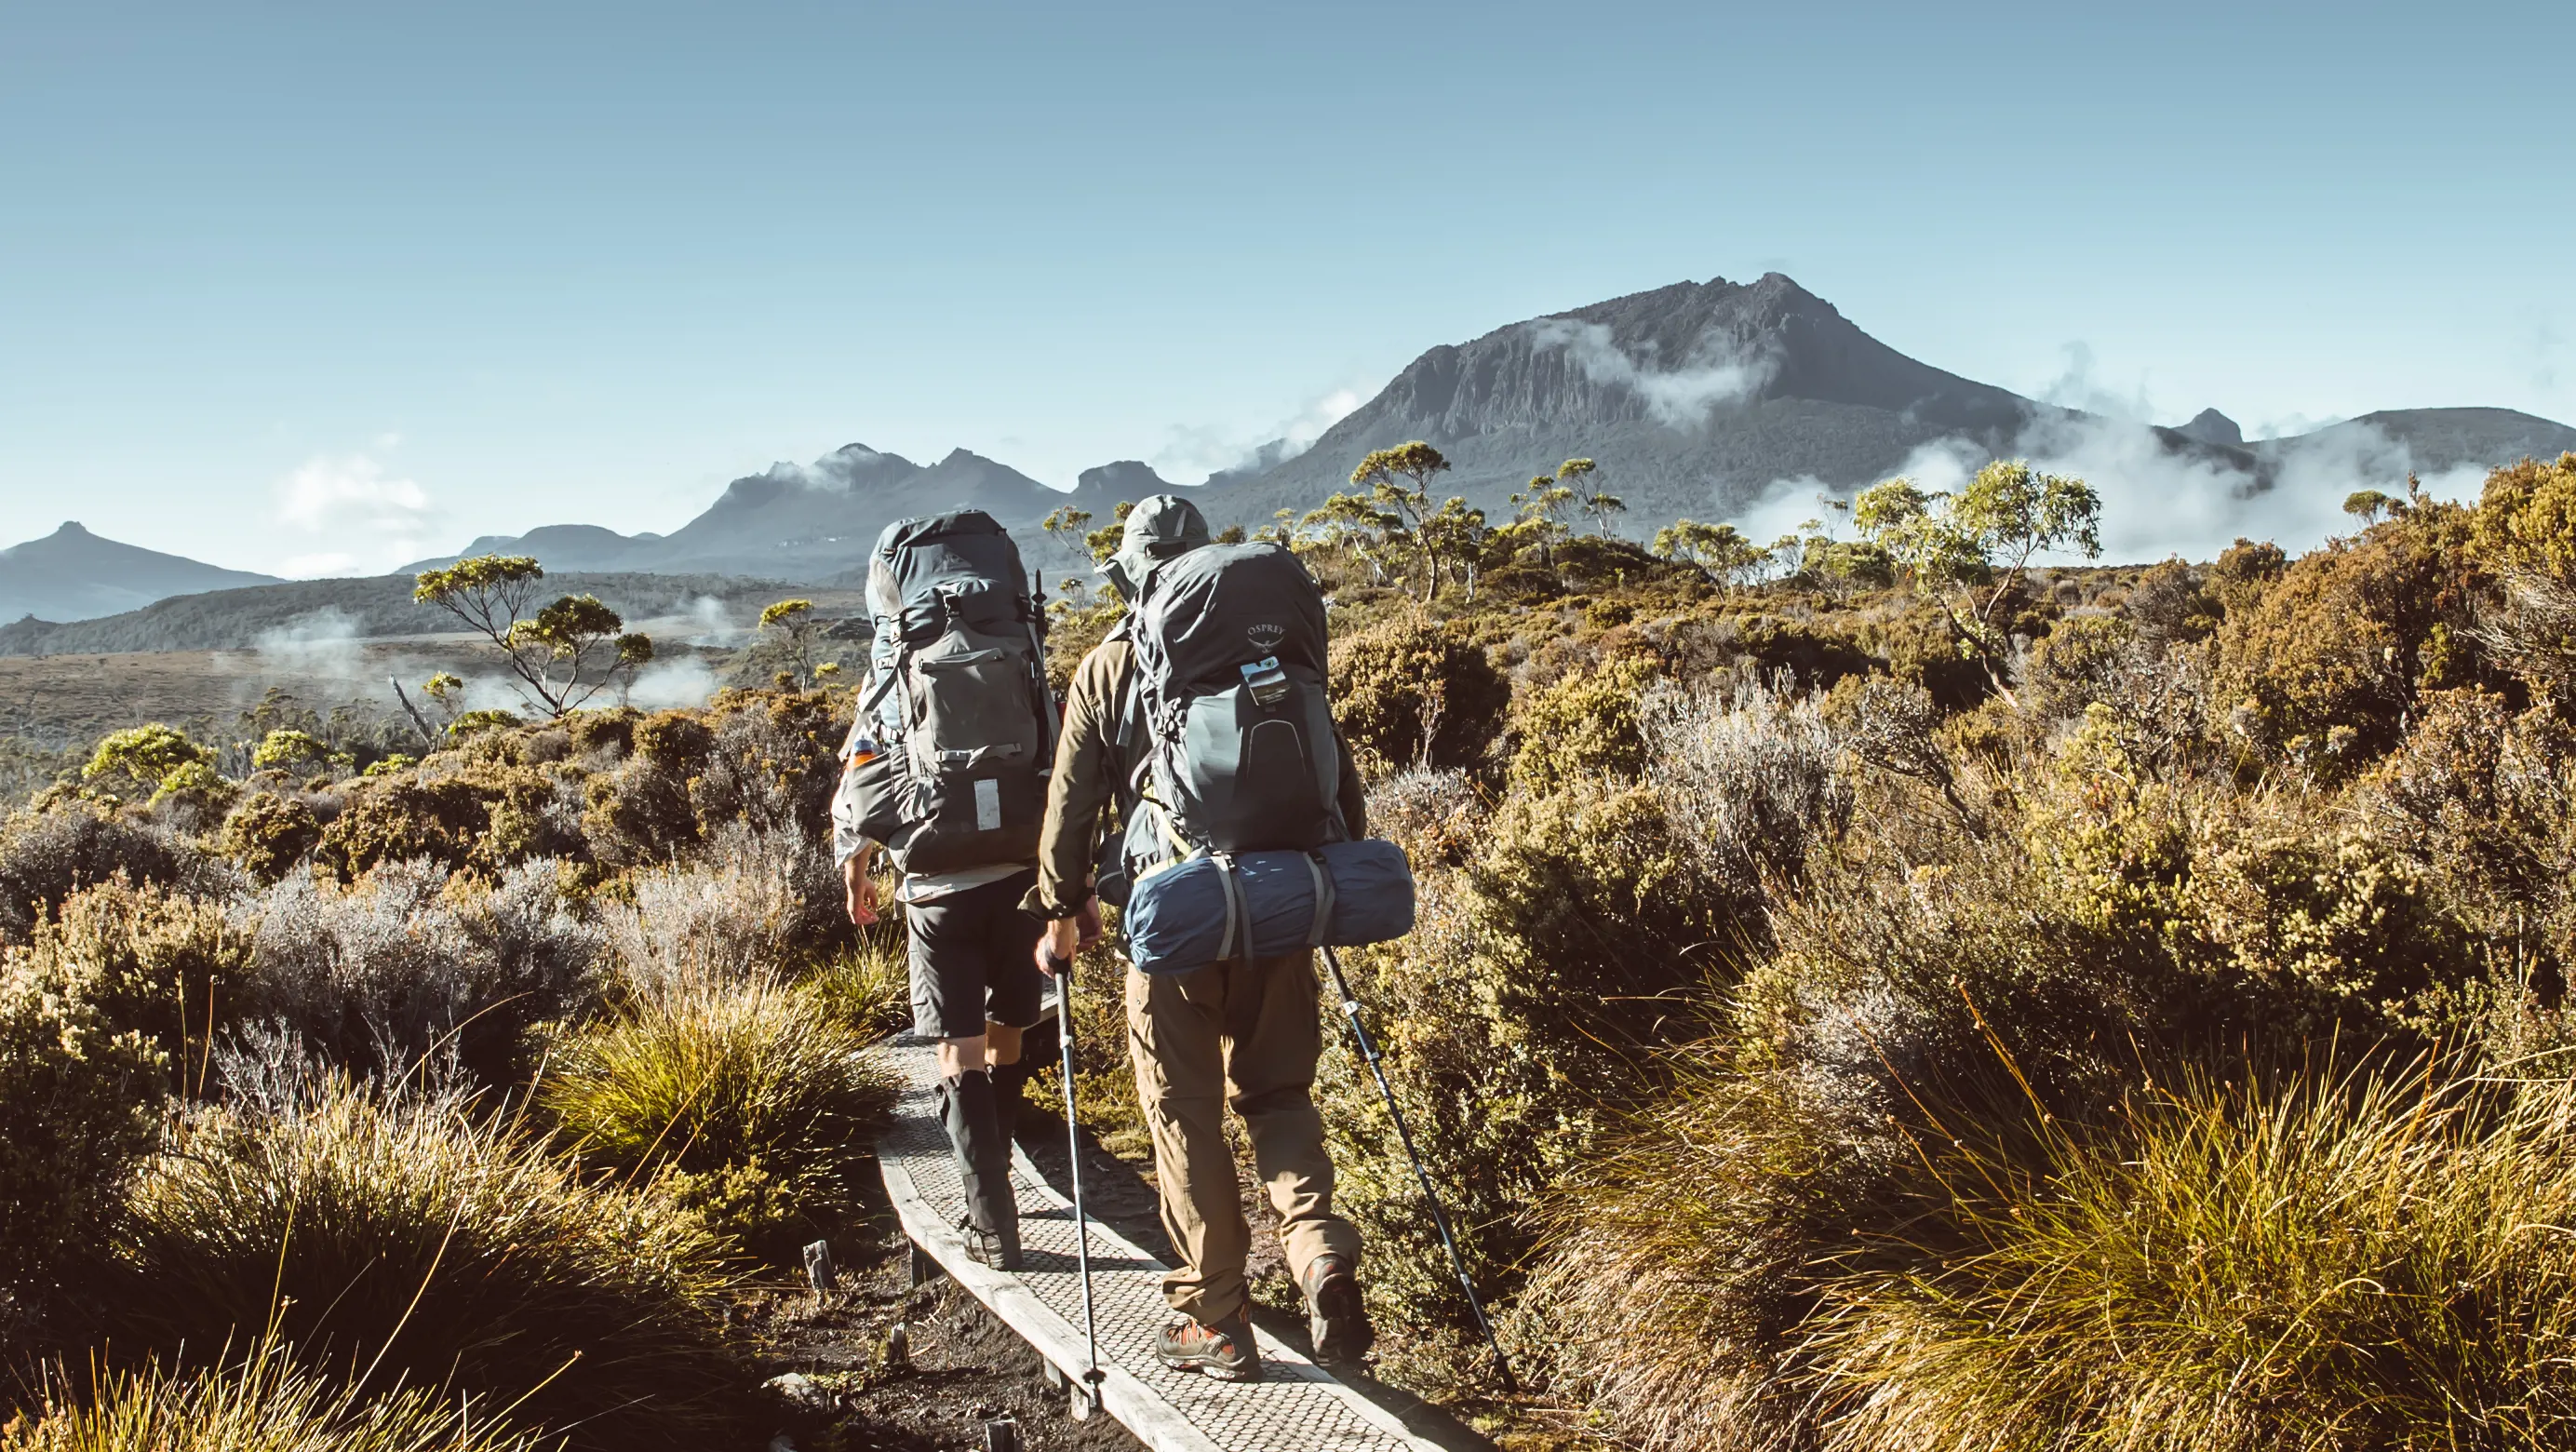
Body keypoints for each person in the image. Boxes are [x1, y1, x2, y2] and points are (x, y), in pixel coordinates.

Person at [1026, 494, 1375, 1381]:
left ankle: (1211, 1318)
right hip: (1281, 906)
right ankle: (1321, 1255)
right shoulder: (1271, 645)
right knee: (1280, 1094)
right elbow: (1339, 781)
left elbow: (1069, 810)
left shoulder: (1109, 668)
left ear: (1132, 570)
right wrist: (1322, 881)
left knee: (1186, 1119)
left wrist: (1061, 911)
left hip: (1174, 924)